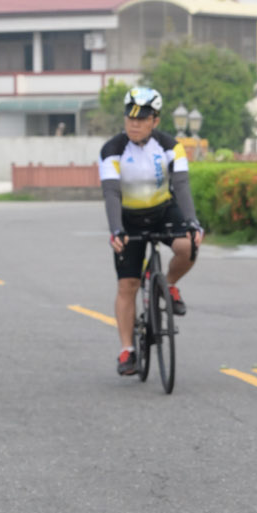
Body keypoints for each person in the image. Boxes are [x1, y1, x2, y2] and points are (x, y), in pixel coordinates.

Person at [98, 86, 202, 376]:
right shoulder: (112, 149)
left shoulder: (170, 146)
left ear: (155, 121)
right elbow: (111, 192)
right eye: (130, 118)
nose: (134, 124)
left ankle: (168, 284)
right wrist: (116, 229)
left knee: (188, 246)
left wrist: (192, 221)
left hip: (162, 211)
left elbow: (181, 185)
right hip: (128, 218)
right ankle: (127, 351)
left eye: (142, 119)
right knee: (127, 285)